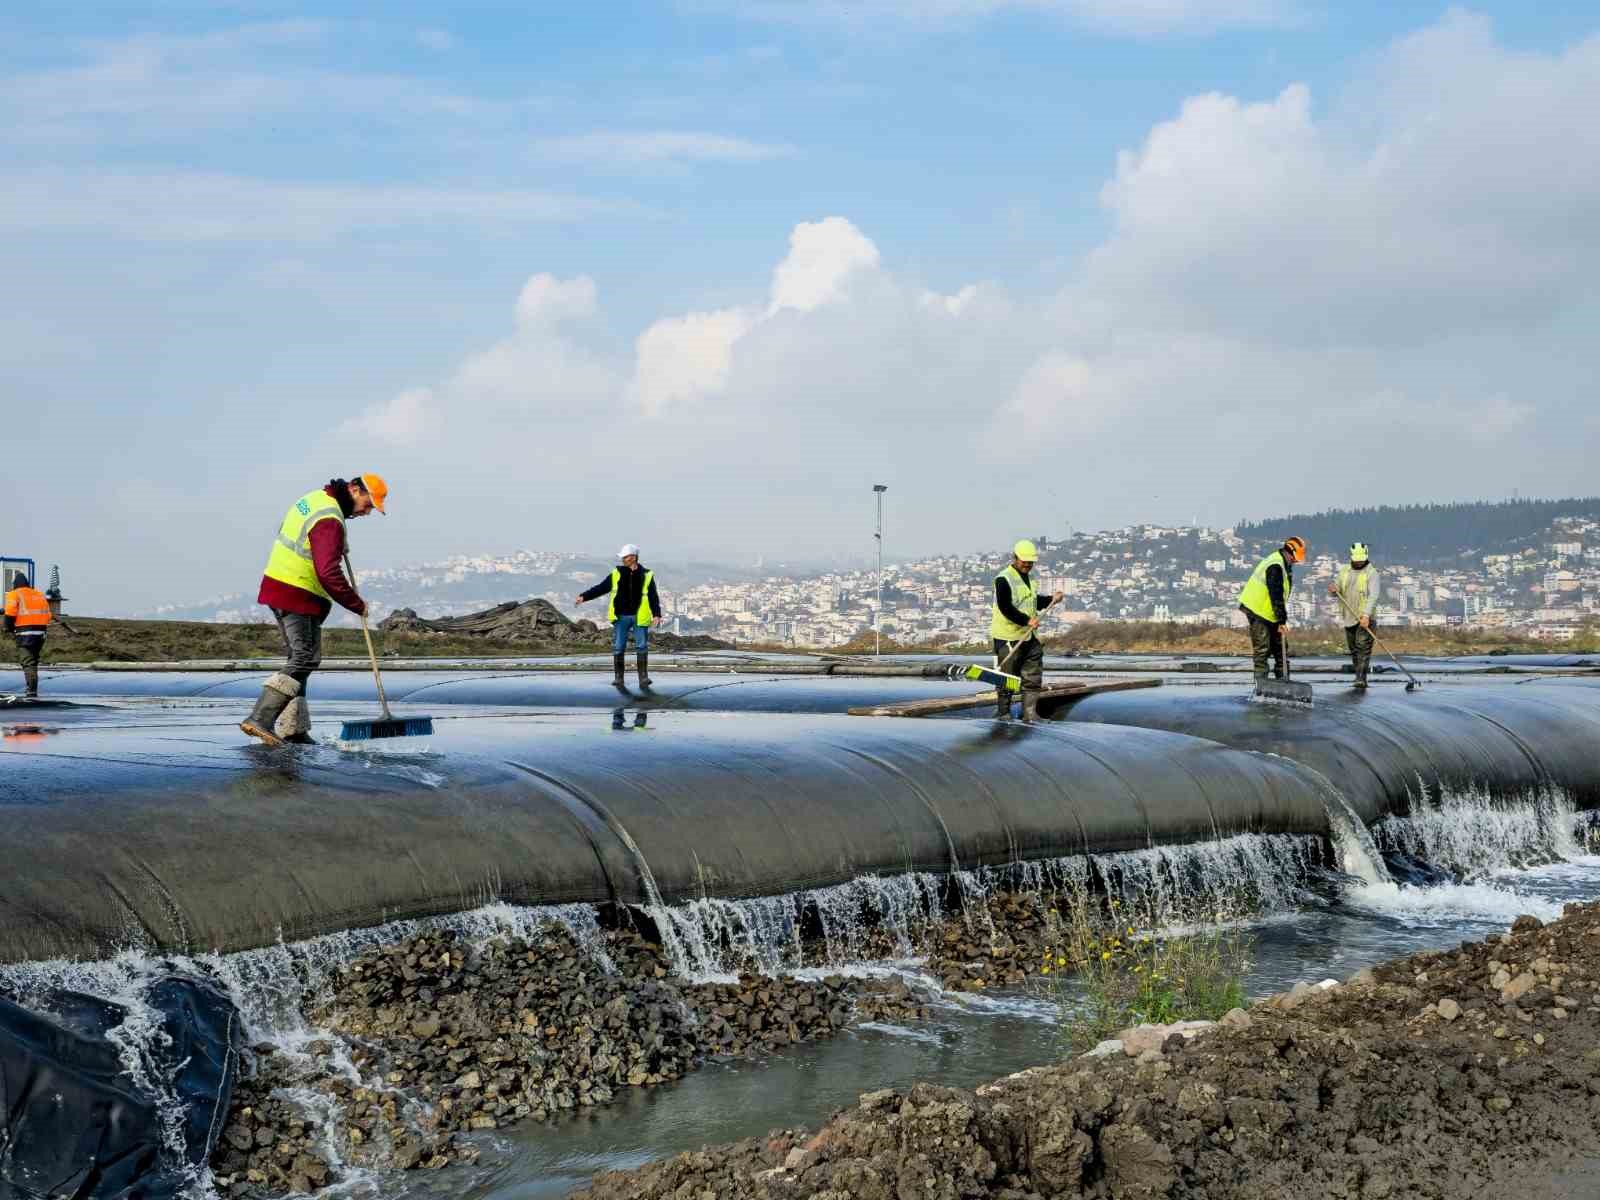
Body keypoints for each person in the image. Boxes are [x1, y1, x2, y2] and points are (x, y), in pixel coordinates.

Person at [241, 475, 386, 745]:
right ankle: (260, 719)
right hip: (297, 591)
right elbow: (328, 573)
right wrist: (356, 603)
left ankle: (293, 729)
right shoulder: (330, 520)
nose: (367, 512)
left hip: (281, 585)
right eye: (368, 505)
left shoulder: (316, 500)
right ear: (355, 490)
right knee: (304, 658)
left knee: (301, 658)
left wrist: (332, 543)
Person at [990, 539, 1061, 723]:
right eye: (1024, 561)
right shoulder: (1003, 579)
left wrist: (1051, 599)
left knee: (1033, 676)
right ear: (1015, 558)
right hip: (1008, 636)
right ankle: (1004, 714)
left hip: (1029, 636)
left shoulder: (1029, 579)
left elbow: (1033, 601)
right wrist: (1026, 620)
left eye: (1030, 562)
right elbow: (1005, 607)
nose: (1027, 565)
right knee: (1007, 677)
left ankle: (1030, 715)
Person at [577, 545, 662, 687]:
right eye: (622, 557)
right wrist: (584, 596)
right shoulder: (617, 573)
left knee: (642, 646)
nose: (623, 559)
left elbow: (653, 596)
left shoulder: (647, 574)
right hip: (621, 616)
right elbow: (601, 588)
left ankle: (643, 678)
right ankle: (618, 678)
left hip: (639, 616)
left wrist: (657, 614)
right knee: (618, 646)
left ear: (633, 557)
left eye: (625, 557)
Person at [1237, 536, 1306, 681]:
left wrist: (1280, 619)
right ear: (1289, 552)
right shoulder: (1275, 566)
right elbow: (1276, 594)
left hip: (1271, 612)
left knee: (1281, 649)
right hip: (1258, 610)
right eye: (1295, 557)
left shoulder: (1284, 564)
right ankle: (1261, 684)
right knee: (1262, 649)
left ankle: (1283, 681)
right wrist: (1282, 621)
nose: (1296, 561)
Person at [1329, 541, 1380, 689]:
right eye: (1356, 560)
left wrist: (1366, 615)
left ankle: (1361, 679)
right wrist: (1333, 589)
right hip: (1349, 616)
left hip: (1365, 618)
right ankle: (1358, 675)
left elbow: (1373, 596)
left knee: (1362, 647)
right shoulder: (1344, 571)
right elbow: (1337, 588)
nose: (1359, 562)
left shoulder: (1372, 573)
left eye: (1361, 560)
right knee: (1354, 649)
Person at [3, 569, 52, 699]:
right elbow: (48, 615)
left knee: (27, 662)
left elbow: (10, 612)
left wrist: (7, 628)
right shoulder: (39, 594)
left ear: (15, 584)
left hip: (25, 633)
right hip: (41, 633)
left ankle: (31, 692)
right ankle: (32, 689)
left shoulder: (14, 594)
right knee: (33, 660)